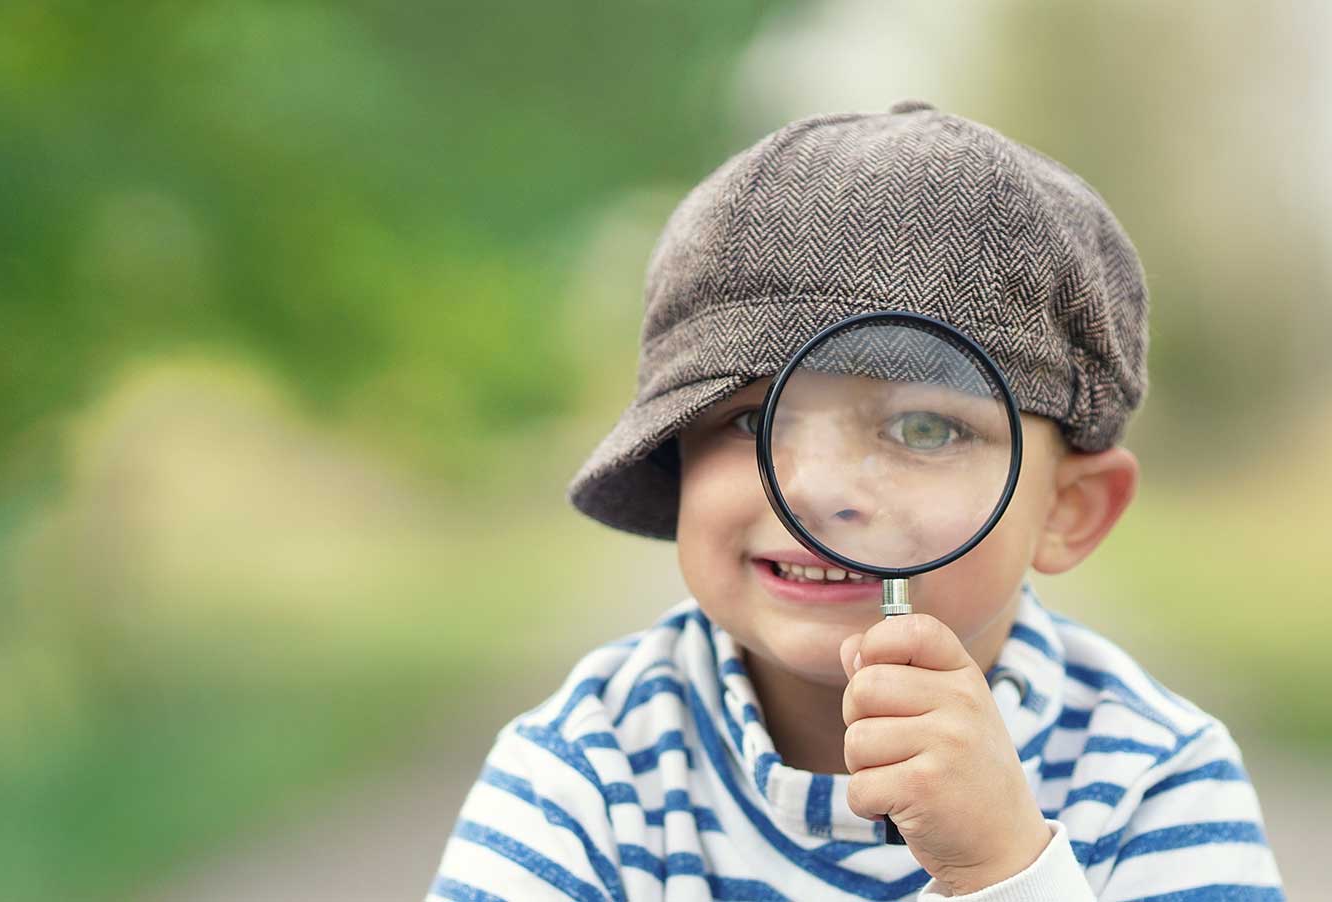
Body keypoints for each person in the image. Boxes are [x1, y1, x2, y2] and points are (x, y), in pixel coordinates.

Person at [426, 100, 1285, 901]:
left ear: (1070, 508)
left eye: (923, 429)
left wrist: (1003, 869)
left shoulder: (1154, 778)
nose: (821, 491)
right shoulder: (583, 772)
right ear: (675, 454)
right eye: (750, 418)